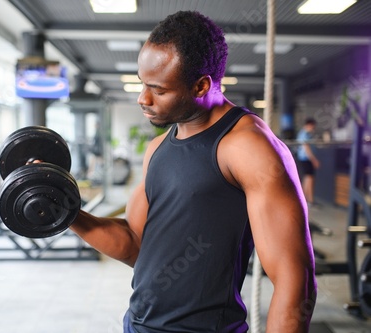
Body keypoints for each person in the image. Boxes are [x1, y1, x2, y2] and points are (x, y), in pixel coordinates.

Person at [68, 11, 316, 332]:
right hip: (138, 325)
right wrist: (69, 214)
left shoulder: (248, 148)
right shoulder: (158, 149)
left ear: (201, 85)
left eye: (158, 89)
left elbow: (294, 280)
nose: (143, 99)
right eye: (143, 84)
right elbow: (134, 243)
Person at [296, 118, 320, 208]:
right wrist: (314, 160)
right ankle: (310, 201)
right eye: (312, 126)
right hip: (306, 159)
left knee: (307, 179)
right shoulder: (305, 134)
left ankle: (305, 200)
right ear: (309, 125)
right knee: (309, 179)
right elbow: (307, 148)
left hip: (304, 159)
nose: (313, 128)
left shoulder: (304, 133)